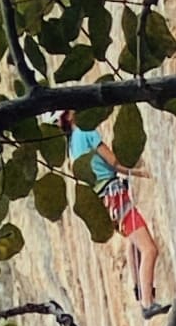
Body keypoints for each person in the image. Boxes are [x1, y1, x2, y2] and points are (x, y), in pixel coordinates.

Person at [68, 120, 169, 309]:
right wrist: (138, 172)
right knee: (149, 249)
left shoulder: (71, 145)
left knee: (133, 239)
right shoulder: (86, 130)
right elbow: (113, 162)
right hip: (115, 194)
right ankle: (147, 302)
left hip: (104, 201)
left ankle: (138, 288)